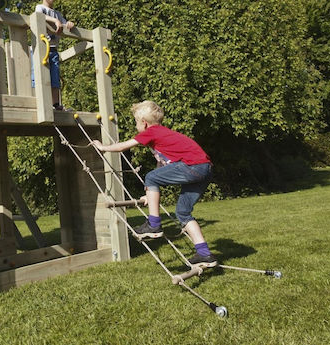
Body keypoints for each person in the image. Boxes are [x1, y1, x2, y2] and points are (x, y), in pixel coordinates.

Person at [92, 101, 217, 267]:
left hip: (193, 166)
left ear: (144, 122)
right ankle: (205, 254)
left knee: (150, 176)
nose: (136, 126)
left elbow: (124, 146)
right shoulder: (162, 136)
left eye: (136, 122)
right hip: (205, 169)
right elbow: (162, 167)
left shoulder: (152, 131)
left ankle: (154, 225)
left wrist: (103, 148)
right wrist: (150, 195)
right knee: (183, 213)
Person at [35, 0, 74, 110]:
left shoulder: (58, 14)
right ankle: (43, 102)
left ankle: (55, 104)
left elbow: (65, 25)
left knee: (55, 77)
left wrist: (69, 24)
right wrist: (55, 21)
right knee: (43, 76)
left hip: (54, 50)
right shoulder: (40, 8)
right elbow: (39, 16)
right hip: (42, 49)